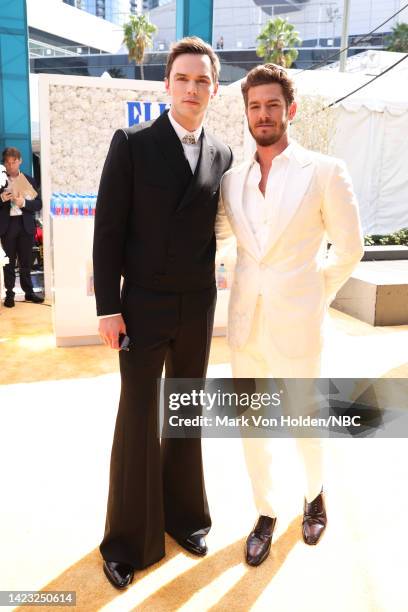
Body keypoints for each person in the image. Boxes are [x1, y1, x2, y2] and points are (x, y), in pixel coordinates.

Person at [93, 36, 233, 589]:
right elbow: (108, 233)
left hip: (197, 304)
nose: (193, 88)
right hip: (142, 307)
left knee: (185, 411)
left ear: (214, 89)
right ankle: (127, 541)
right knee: (138, 416)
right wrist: (108, 309)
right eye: (184, 79)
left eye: (203, 80)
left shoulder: (222, 153)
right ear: (166, 85)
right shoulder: (132, 143)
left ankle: (185, 518)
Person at [216, 64, 364, 566]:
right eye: (255, 106)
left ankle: (315, 494)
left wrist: (313, 295)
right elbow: (216, 239)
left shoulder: (324, 171)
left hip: (298, 322)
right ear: (246, 112)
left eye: (272, 105)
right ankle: (265, 511)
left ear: (290, 110)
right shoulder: (231, 179)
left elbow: (350, 248)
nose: (263, 114)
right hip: (244, 325)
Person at [0, 147, 43, 307]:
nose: (11, 166)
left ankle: (29, 292)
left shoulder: (29, 180)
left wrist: (24, 203)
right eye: (8, 163)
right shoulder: (0, 180)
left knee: (26, 261)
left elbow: (38, 204)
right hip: (7, 226)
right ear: (4, 163)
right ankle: (9, 294)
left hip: (25, 225)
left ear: (20, 161)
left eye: (14, 162)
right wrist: (1, 198)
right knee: (9, 263)